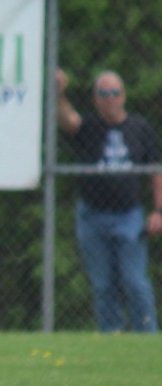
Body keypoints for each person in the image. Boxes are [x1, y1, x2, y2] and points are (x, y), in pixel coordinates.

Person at [56, 68, 162, 333]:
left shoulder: (140, 128)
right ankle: (111, 335)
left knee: (135, 281)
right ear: (95, 99)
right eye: (104, 93)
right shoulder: (89, 127)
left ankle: (147, 336)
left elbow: (156, 171)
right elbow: (67, 120)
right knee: (103, 284)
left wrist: (159, 211)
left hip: (129, 216)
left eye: (115, 93)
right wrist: (58, 94)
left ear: (123, 96)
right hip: (93, 216)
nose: (110, 98)